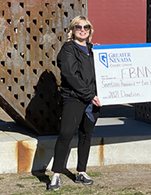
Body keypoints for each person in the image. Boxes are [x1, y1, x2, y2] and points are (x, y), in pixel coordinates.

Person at [48, 15, 101, 190]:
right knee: (66, 134)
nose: (82, 30)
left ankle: (81, 171)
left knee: (86, 134)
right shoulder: (68, 49)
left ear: (90, 30)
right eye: (78, 27)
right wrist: (88, 94)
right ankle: (56, 174)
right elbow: (70, 75)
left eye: (86, 27)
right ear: (72, 30)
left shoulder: (94, 50)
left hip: (93, 99)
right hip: (74, 98)